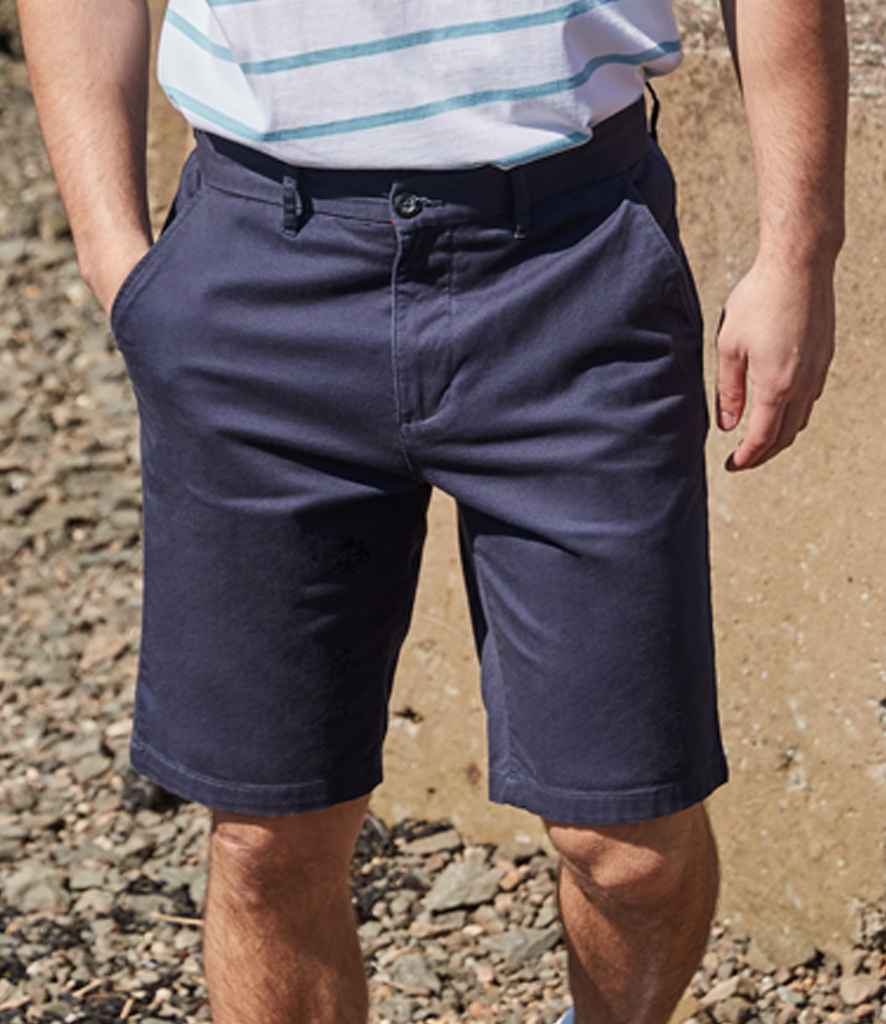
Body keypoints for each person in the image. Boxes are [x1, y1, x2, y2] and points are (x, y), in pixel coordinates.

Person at [16, 0, 847, 1021]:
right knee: (269, 840)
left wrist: (800, 248)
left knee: (629, 847)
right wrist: (111, 253)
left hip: (574, 258)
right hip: (258, 270)